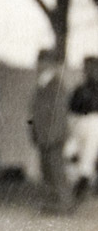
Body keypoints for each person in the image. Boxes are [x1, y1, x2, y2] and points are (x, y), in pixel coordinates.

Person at [29, 47, 73, 213]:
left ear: (51, 64)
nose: (40, 65)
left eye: (43, 62)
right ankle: (53, 204)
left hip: (52, 137)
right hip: (43, 135)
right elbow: (35, 112)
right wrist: (35, 133)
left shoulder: (56, 85)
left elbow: (59, 114)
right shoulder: (42, 84)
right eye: (39, 62)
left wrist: (52, 136)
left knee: (56, 171)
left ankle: (65, 204)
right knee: (47, 171)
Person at [66, 55, 98, 196]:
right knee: (71, 151)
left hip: (94, 122)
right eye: (87, 68)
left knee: (89, 153)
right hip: (80, 122)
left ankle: (84, 181)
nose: (89, 71)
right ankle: (81, 180)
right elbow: (72, 107)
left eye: (92, 67)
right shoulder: (80, 88)